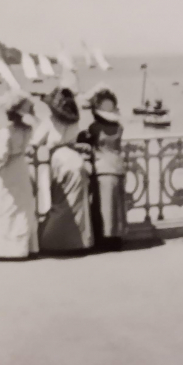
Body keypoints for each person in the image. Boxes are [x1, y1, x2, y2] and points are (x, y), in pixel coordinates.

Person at [33, 87, 94, 253]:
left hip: (61, 162)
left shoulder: (49, 122)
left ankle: (53, 241)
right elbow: (71, 141)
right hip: (76, 160)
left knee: (61, 203)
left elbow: (35, 142)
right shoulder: (74, 122)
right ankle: (79, 242)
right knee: (77, 204)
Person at [0, 91, 40, 260]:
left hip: (10, 171)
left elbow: (0, 157)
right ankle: (24, 247)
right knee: (22, 207)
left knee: (7, 207)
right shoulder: (27, 130)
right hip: (22, 168)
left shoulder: (5, 132)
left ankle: (8, 249)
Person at [79, 87, 127, 251]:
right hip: (118, 166)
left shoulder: (95, 129)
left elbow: (86, 139)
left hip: (102, 168)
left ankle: (104, 240)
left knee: (103, 207)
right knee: (117, 206)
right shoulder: (119, 128)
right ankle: (117, 238)